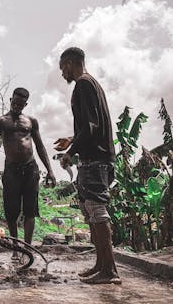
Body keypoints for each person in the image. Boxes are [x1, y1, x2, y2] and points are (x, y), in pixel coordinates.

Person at [54, 47, 121, 284]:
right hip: (98, 158)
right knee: (92, 212)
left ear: (71, 63)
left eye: (63, 68)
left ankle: (109, 271)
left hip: (95, 160)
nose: (62, 74)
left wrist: (71, 153)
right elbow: (93, 126)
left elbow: (91, 127)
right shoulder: (93, 84)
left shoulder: (83, 84)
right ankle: (101, 264)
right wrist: (72, 139)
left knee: (97, 211)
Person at [0, 88, 55, 252]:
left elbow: (40, 146)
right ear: (10, 100)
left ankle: (27, 246)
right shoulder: (1, 121)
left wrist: (50, 170)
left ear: (25, 104)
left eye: (20, 104)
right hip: (11, 170)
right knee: (11, 210)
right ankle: (16, 245)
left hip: (31, 169)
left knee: (30, 210)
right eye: (14, 102)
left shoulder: (31, 122)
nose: (16, 106)